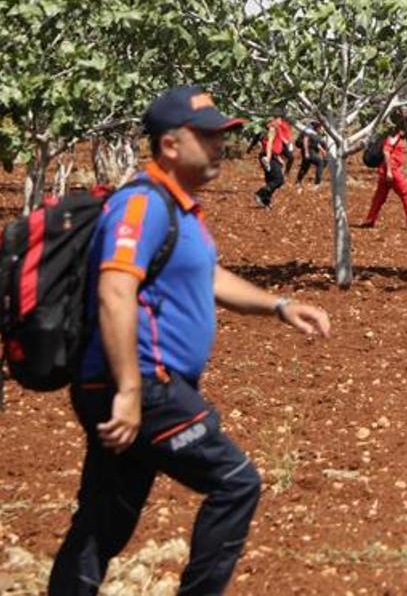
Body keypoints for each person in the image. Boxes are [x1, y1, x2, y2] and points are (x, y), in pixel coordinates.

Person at [49, 86, 332, 594]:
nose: (221, 145)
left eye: (221, 135)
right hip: (142, 384)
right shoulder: (141, 205)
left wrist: (280, 306)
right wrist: (130, 391)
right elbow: (115, 291)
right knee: (235, 481)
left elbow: (210, 278)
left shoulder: (180, 210)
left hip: (136, 385)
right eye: (207, 136)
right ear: (171, 145)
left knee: (103, 523)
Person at [361, 110, 407, 229]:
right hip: (391, 170)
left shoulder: (395, 133)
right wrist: (389, 172)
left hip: (385, 170)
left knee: (379, 197)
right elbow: (386, 151)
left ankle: (370, 220)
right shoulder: (392, 135)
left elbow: (405, 134)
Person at [253, 112, 293, 207]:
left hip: (273, 156)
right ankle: (260, 193)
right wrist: (268, 158)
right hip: (269, 156)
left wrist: (278, 158)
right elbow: (269, 145)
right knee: (279, 180)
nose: (280, 121)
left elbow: (276, 145)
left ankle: (266, 201)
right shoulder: (272, 129)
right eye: (278, 119)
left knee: (271, 179)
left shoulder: (276, 129)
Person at [295, 120, 328, 186]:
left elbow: (317, 144)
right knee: (320, 162)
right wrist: (306, 152)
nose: (321, 129)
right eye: (320, 128)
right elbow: (305, 140)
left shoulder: (316, 133)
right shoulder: (310, 131)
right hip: (309, 151)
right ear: (317, 127)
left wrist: (322, 151)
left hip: (309, 151)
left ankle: (298, 182)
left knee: (305, 167)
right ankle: (317, 183)